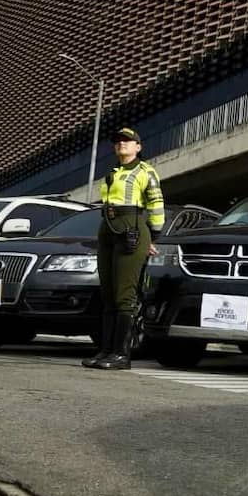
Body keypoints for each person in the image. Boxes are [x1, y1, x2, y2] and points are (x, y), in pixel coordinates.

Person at [82, 127, 165, 370]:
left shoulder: (145, 171)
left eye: (128, 141)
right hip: (108, 228)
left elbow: (157, 204)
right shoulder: (114, 171)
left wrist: (152, 236)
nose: (122, 144)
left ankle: (121, 354)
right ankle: (106, 350)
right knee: (107, 294)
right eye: (118, 141)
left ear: (138, 147)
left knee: (124, 295)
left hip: (131, 228)